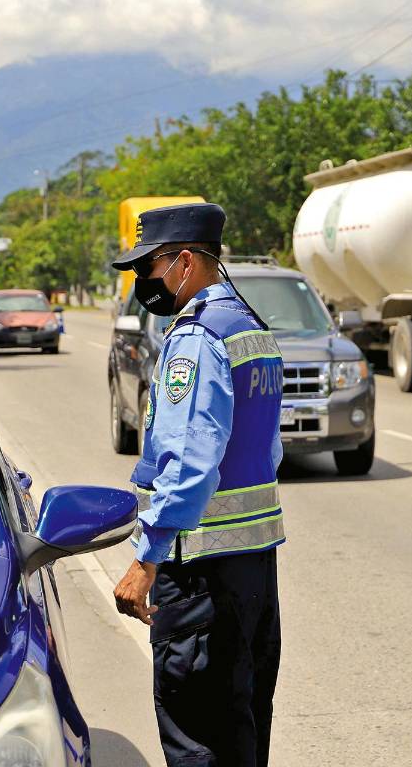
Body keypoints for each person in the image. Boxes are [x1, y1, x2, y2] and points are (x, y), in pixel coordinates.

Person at [111, 202, 286, 767]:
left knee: (197, 736)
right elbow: (267, 449)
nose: (144, 282)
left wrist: (146, 559)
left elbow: (190, 462)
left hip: (200, 577)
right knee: (242, 726)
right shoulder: (251, 328)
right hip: (254, 571)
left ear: (185, 262)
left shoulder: (195, 338)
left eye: (150, 267)